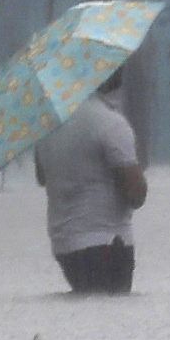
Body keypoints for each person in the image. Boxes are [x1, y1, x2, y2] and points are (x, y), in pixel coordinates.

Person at [33, 68, 147, 294]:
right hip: (107, 243)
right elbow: (136, 195)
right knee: (113, 319)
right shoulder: (111, 124)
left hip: (64, 245)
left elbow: (42, 177)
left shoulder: (49, 124)